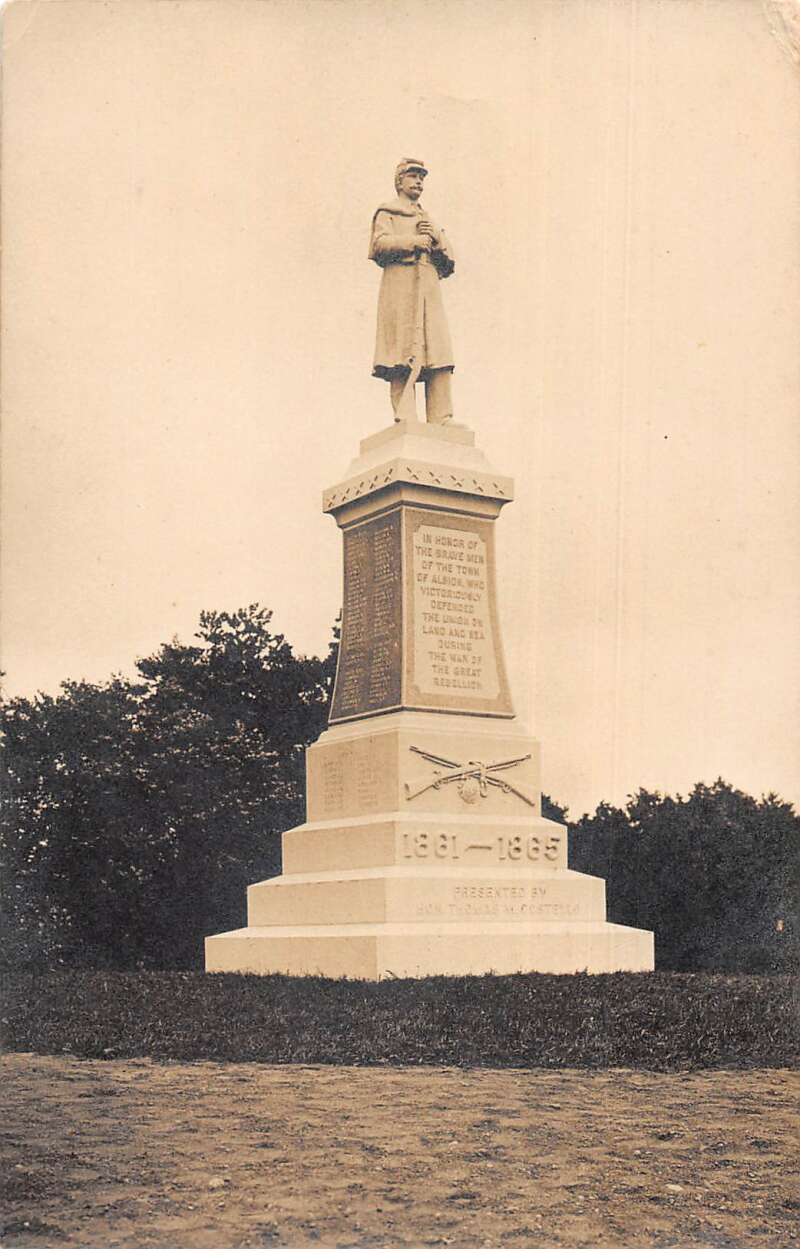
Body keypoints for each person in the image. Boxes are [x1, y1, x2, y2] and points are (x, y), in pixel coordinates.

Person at [369, 158, 455, 424]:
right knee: (401, 348)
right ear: (400, 181)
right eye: (413, 176)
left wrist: (437, 239)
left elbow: (449, 260)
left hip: (429, 287)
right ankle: (405, 413)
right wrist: (413, 242)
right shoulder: (388, 212)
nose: (418, 182)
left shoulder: (428, 219)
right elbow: (379, 245)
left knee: (437, 348)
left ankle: (441, 416)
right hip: (401, 288)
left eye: (422, 178)